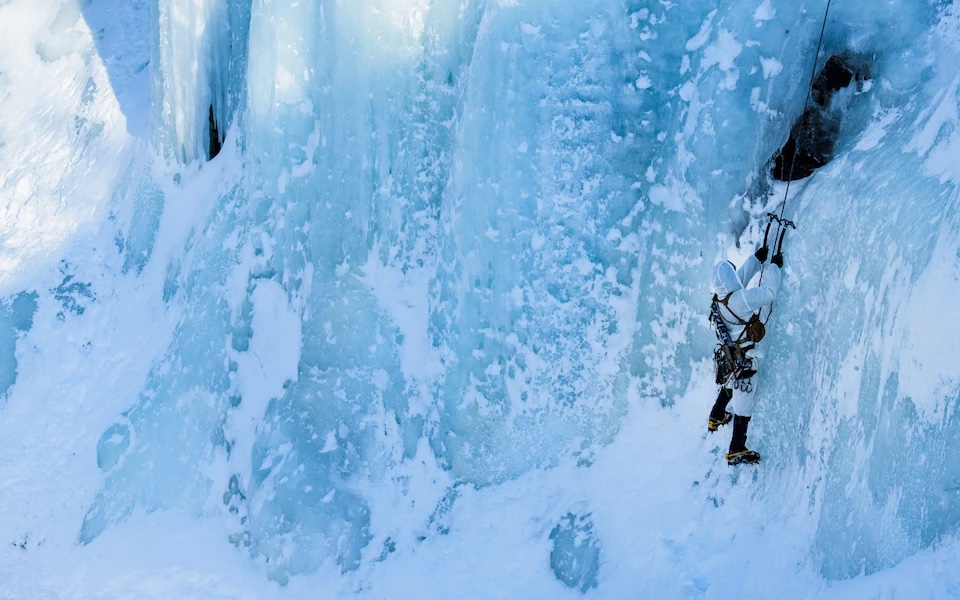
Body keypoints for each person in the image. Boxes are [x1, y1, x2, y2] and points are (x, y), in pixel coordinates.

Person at [707, 244, 783, 465]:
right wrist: (773, 268)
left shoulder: (719, 297)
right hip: (745, 358)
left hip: (731, 354)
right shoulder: (740, 300)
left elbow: (738, 280)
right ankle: (736, 449)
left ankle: (716, 416)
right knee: (744, 402)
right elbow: (768, 293)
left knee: (730, 383)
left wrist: (755, 260)